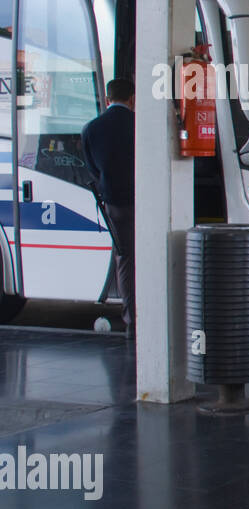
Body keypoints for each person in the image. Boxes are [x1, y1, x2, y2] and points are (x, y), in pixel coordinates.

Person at [81, 78, 135, 338]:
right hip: (142, 202)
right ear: (133, 99)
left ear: (107, 99)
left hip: (113, 203)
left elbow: (92, 168)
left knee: (124, 258)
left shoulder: (91, 128)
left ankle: (131, 319)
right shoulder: (139, 126)